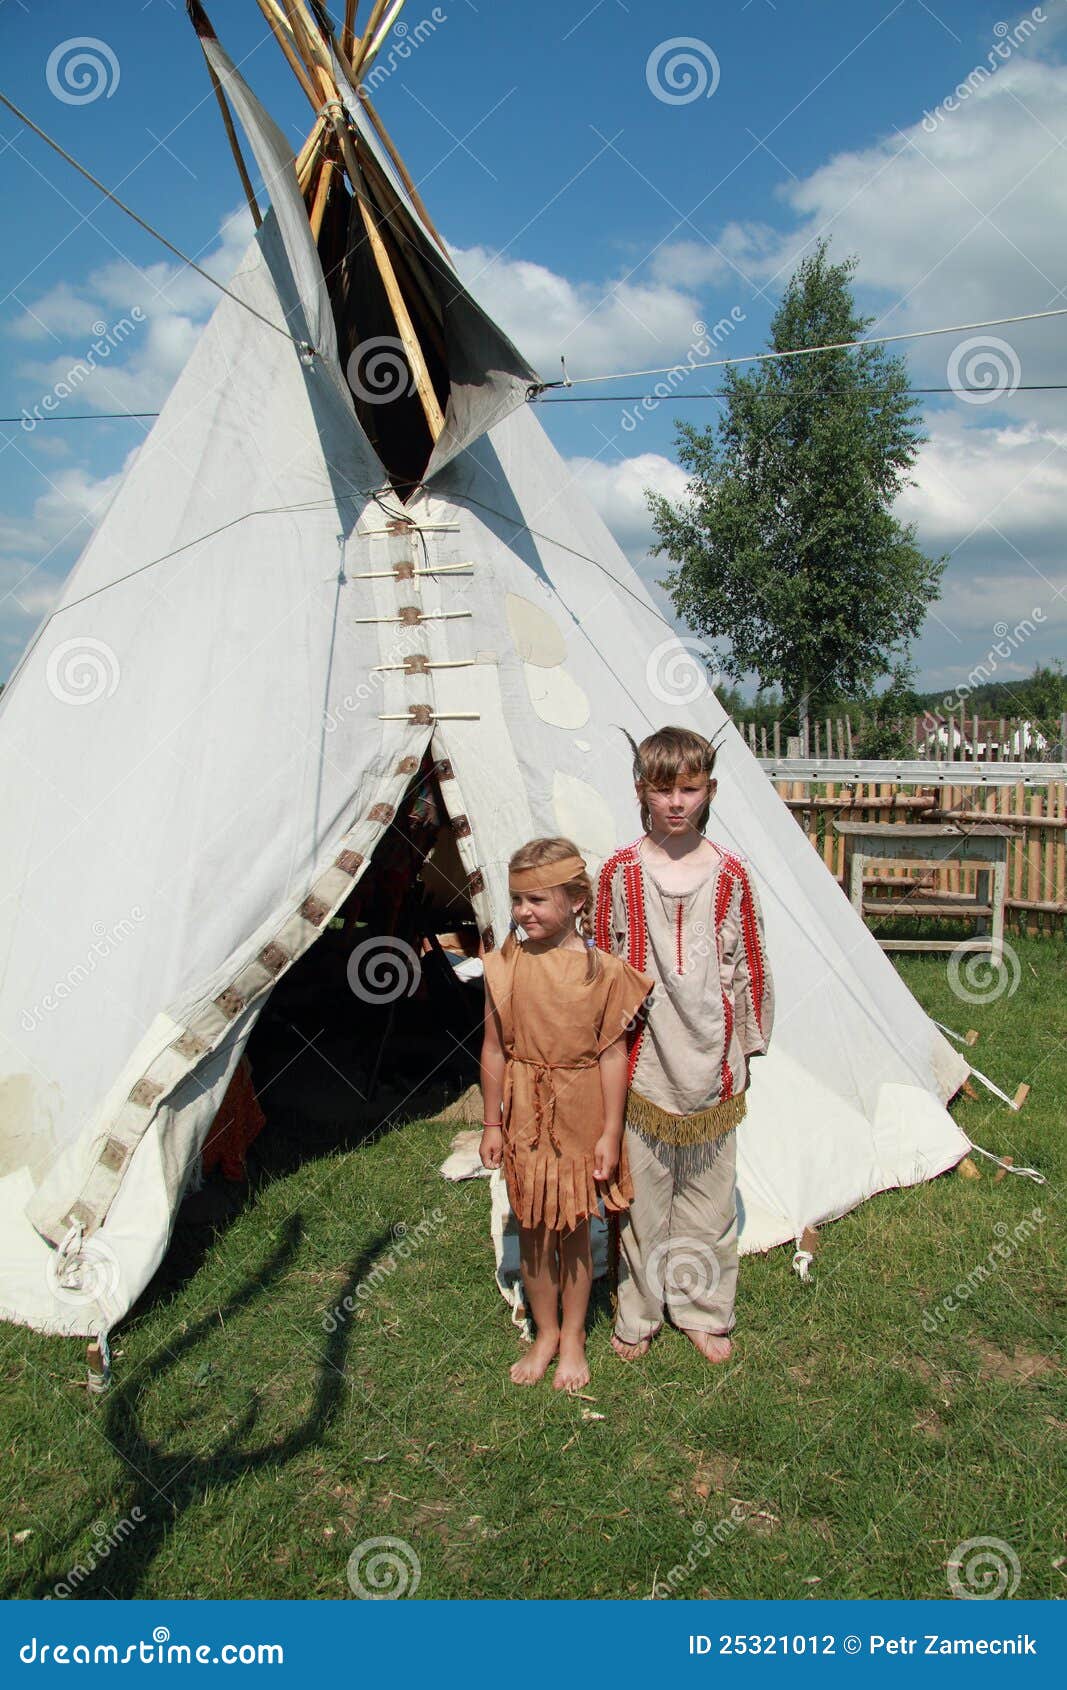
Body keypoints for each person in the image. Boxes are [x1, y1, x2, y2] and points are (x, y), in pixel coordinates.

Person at [595, 726, 774, 1364]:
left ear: (710, 790)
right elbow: (601, 965)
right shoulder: (618, 872)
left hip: (711, 1065)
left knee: (707, 1200)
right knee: (641, 1200)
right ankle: (638, 1313)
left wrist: (746, 1049)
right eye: (663, 788)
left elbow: (748, 966)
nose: (677, 802)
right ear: (641, 790)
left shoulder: (729, 876)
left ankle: (701, 1309)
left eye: (690, 788)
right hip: (642, 1067)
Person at [480, 838, 653, 1392]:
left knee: (576, 1230)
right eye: (517, 901)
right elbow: (493, 1049)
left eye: (537, 900)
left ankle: (575, 1336)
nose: (524, 912)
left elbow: (611, 1054)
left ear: (578, 900)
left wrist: (610, 1132)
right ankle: (546, 1331)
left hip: (580, 1111)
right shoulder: (504, 968)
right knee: (531, 1229)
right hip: (527, 1110)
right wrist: (491, 1121)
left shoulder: (602, 972)